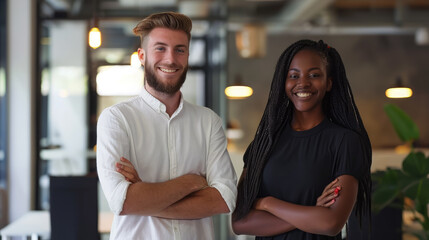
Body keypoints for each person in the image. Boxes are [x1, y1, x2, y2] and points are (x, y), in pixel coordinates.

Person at [96, 12, 237, 240]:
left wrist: (146, 195)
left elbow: (224, 199)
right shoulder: (116, 119)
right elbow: (123, 201)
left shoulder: (208, 121)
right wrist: (193, 182)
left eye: (179, 50)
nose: (171, 59)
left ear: (188, 56)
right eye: (160, 48)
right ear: (142, 56)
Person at [231, 39, 372, 239]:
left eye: (314, 75)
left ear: (329, 82)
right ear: (284, 82)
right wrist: (311, 211)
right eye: (293, 75)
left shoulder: (345, 142)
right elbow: (240, 222)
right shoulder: (263, 144)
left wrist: (266, 203)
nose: (303, 83)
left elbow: (330, 223)